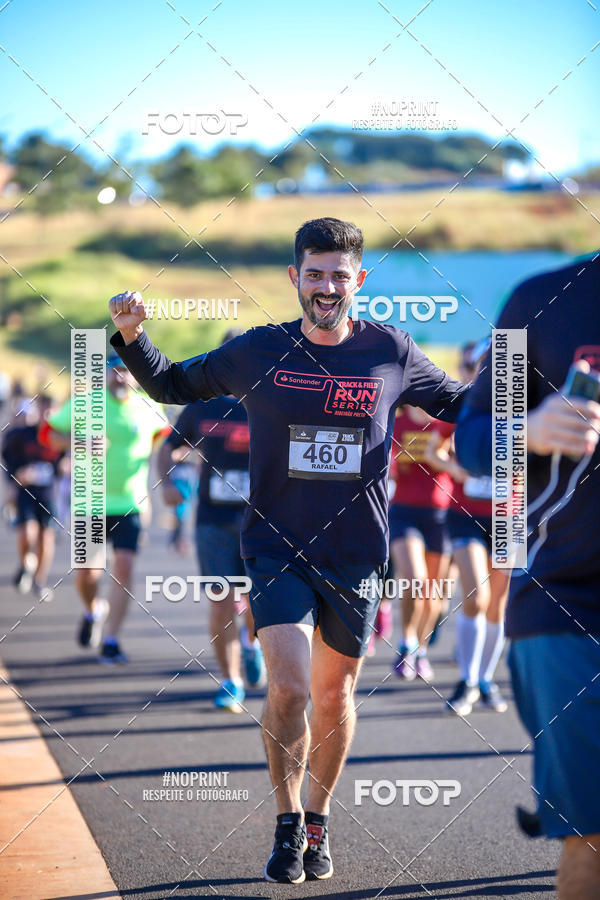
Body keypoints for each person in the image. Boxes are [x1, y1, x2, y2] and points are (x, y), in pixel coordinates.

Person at [108, 217, 468, 884]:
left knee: (335, 698)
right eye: (315, 274)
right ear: (295, 278)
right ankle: (283, 821)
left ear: (358, 280)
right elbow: (171, 386)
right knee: (291, 688)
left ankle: (318, 819)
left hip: (356, 552)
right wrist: (133, 338)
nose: (326, 286)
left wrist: (533, 392)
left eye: (339, 275)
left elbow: (459, 403)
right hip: (275, 546)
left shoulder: (391, 348)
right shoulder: (257, 351)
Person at [454, 255, 600, 900]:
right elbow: (473, 437)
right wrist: (530, 428)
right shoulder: (544, 300)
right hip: (569, 601)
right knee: (592, 835)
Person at [157, 329, 266, 712]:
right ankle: (231, 680)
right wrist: (168, 483)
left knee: (258, 601)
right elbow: (167, 448)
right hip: (213, 520)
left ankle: (253, 645)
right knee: (220, 599)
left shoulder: (271, 403)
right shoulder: (201, 407)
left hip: (262, 523)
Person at [42, 353, 170, 662]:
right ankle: (92, 610)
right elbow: (48, 434)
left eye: (127, 371)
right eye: (115, 371)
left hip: (131, 503)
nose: (121, 376)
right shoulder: (87, 403)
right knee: (88, 574)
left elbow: (162, 439)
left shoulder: (149, 407)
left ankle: (111, 639)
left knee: (124, 570)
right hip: (91, 501)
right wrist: (81, 442)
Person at [426, 342, 510, 715]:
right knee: (476, 596)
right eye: (481, 365)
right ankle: (467, 681)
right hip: (466, 514)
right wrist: (457, 470)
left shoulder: (524, 408)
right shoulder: (466, 406)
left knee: (499, 605)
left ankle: (485, 680)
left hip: (510, 514)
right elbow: (434, 450)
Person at [388, 404, 454, 681]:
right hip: (403, 511)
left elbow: (461, 462)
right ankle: (406, 643)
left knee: (434, 593)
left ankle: (421, 650)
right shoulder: (395, 421)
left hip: (440, 515)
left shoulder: (446, 422)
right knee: (414, 580)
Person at [2, 395, 61, 601]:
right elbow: (8, 458)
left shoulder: (61, 436)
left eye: (50, 412)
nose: (46, 416)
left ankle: (39, 581)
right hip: (26, 492)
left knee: (46, 537)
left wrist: (60, 468)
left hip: (49, 494)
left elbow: (70, 462)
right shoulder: (22, 435)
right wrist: (15, 478)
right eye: (43, 411)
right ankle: (26, 562)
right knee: (28, 533)